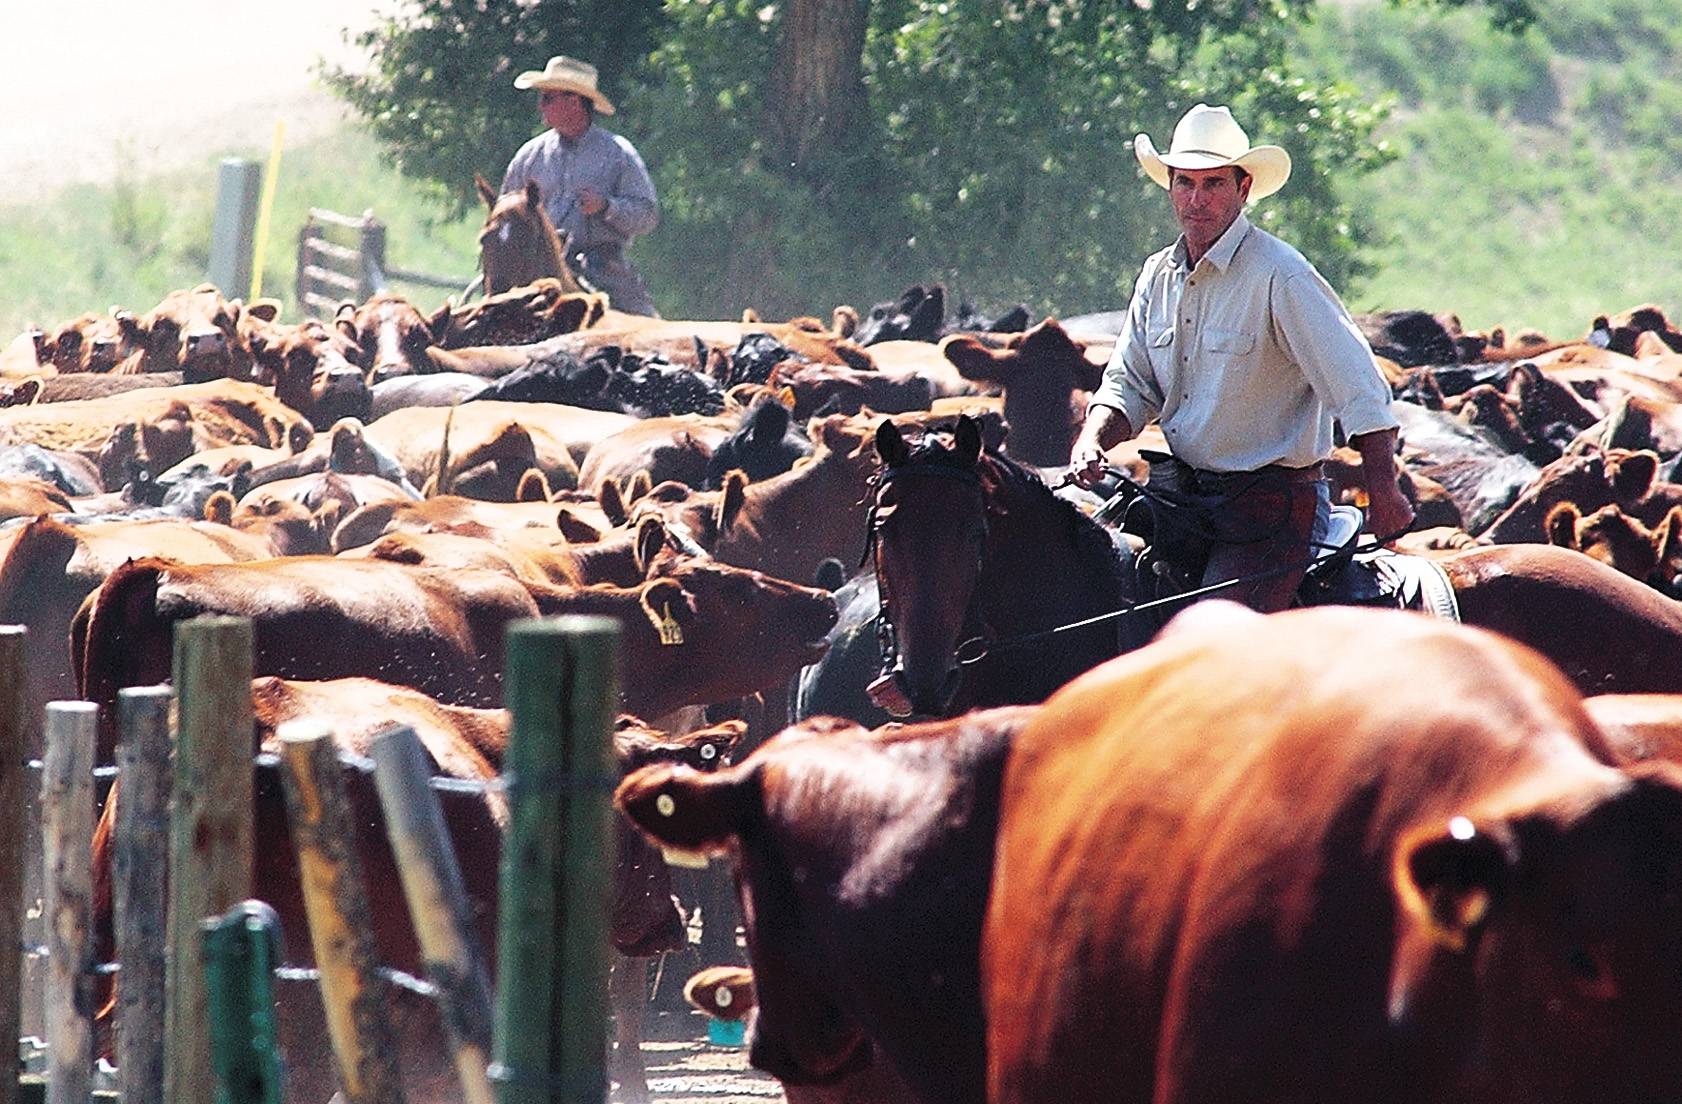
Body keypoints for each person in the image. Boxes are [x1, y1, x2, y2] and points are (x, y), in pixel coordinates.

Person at [1071, 103, 1413, 613]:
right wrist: (1091, 441)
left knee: (1212, 640)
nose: (1197, 199)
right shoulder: (1157, 275)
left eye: (1213, 184)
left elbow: (1357, 387)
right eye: (1185, 183)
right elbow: (1130, 384)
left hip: (1272, 511)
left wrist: (1383, 490)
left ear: (1243, 188)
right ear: (1169, 187)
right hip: (1181, 501)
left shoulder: (1281, 274)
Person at [502, 55, 660, 316]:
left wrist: (607, 207)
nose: (541, 106)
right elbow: (504, 212)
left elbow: (648, 216)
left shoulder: (618, 154)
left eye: (547, 98)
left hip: (601, 268)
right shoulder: (529, 156)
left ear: (574, 101)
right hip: (534, 271)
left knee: (647, 332)